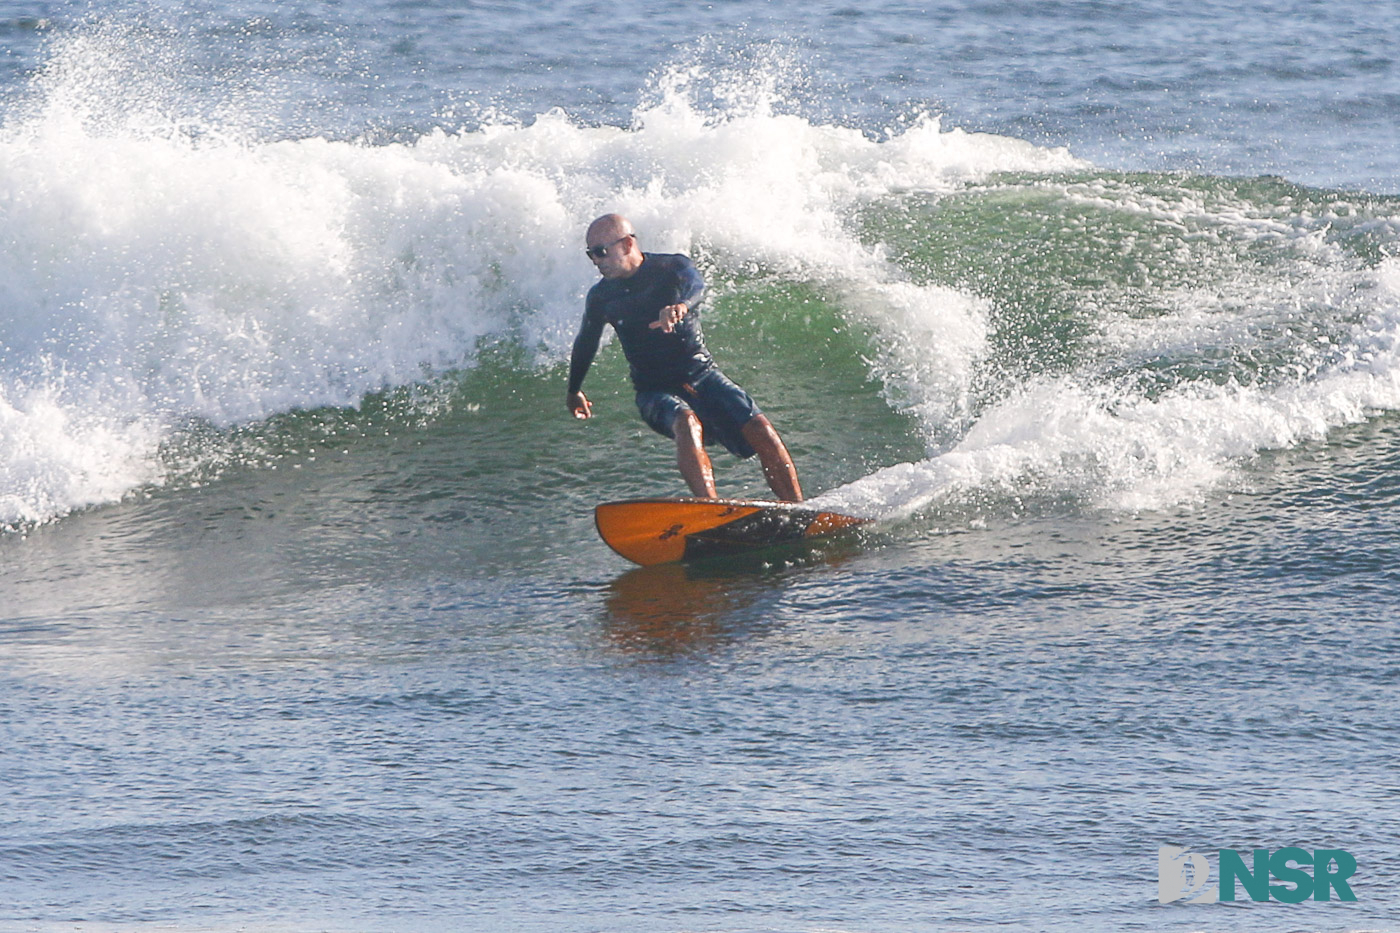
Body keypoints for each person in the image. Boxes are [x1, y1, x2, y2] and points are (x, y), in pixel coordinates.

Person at [567, 213, 803, 502]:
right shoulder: (602, 297)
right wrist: (573, 389)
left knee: (761, 429)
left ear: (628, 244)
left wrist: (680, 306)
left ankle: (797, 509)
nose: (596, 260)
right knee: (685, 421)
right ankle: (710, 509)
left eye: (601, 251)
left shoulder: (671, 268)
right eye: (591, 254)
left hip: (702, 374)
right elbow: (586, 342)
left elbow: (696, 287)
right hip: (653, 391)